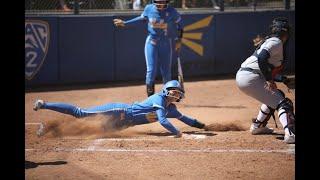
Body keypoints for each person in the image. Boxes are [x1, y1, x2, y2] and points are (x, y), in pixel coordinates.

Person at [33, 80, 207, 137]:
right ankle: (44, 104)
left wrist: (202, 126)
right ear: (166, 91)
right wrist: (177, 133)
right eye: (173, 92)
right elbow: (162, 120)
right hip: (119, 111)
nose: (175, 95)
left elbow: (185, 119)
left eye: (177, 93)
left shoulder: (172, 109)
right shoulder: (158, 99)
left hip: (124, 124)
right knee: (81, 114)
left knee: (90, 131)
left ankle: (49, 127)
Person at [235, 17, 295, 144]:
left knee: (276, 96)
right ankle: (291, 134)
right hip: (251, 77)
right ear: (285, 33)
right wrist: (269, 80)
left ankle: (258, 126)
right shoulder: (276, 42)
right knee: (284, 104)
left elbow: (264, 67)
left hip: (247, 76)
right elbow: (262, 59)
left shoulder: (272, 41)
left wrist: (282, 79)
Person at [113, 0, 183, 97]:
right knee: (151, 71)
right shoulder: (149, 8)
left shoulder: (172, 11)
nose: (161, 4)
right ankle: (151, 100)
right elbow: (141, 19)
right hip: (152, 43)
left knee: (166, 73)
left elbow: (180, 24)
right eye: (159, 1)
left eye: (163, 1)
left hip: (166, 43)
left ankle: (167, 100)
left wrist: (178, 40)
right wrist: (125, 23)